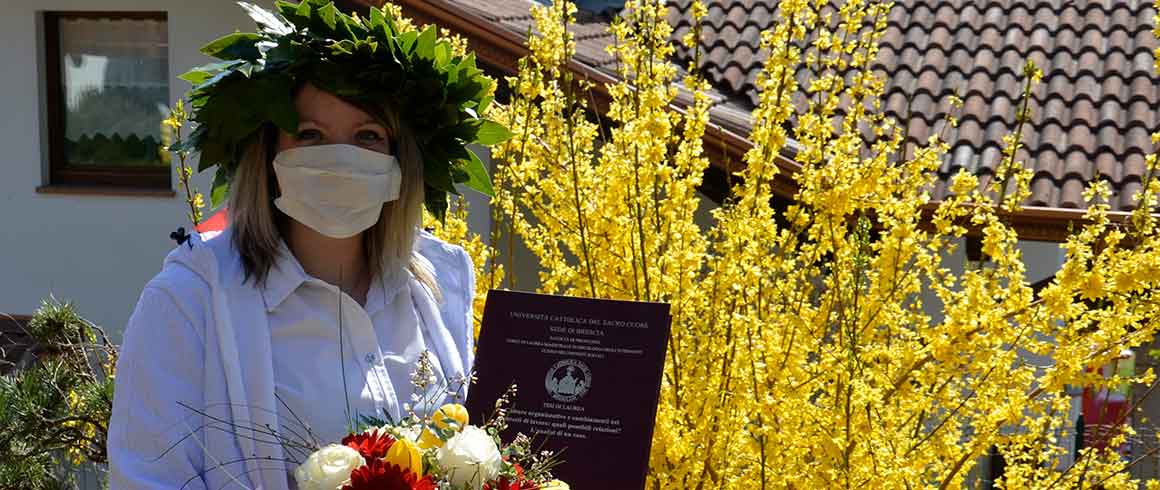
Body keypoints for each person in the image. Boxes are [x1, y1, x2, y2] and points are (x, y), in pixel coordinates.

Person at [106, 2, 506, 488]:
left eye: (368, 135)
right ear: (268, 153)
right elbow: (145, 478)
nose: (340, 158)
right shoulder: (187, 302)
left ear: (401, 159)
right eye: (311, 134)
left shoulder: (437, 286)